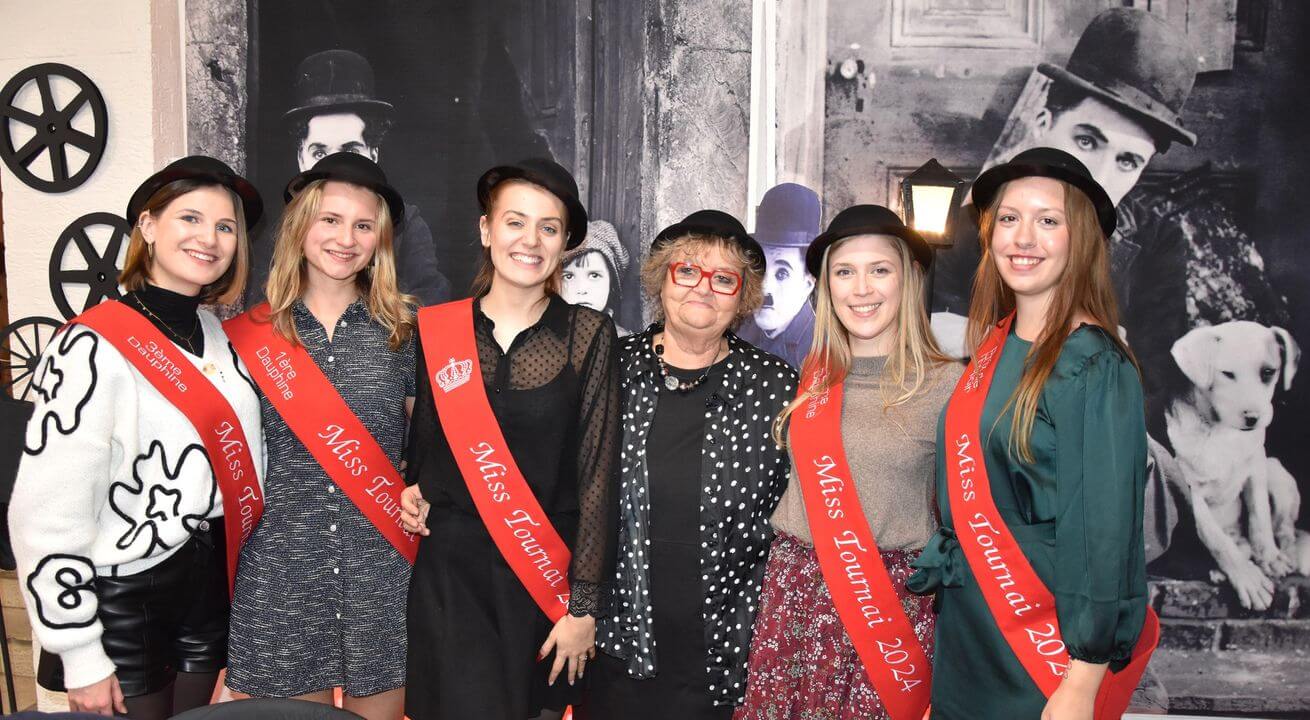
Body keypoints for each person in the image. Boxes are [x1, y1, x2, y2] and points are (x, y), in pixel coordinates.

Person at [9, 156, 267, 719]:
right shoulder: (90, 345)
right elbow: (45, 510)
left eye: (225, 227)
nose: (210, 238)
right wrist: (80, 652)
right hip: (124, 598)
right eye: (190, 218)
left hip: (210, 589)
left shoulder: (221, 338)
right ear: (147, 227)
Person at [908, 147, 1157, 718]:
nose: (1024, 238)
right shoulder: (992, 346)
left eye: (1049, 221)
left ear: (1081, 241)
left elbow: (1105, 534)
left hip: (1044, 645)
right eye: (1010, 219)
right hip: (969, 635)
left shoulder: (1093, 363)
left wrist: (1082, 682)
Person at [398, 158, 620, 719]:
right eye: (515, 221)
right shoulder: (440, 327)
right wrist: (412, 487)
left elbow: (598, 474)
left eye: (549, 227)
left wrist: (584, 608)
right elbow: (424, 446)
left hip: (538, 581)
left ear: (565, 243)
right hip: (450, 578)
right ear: (485, 230)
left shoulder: (588, 334)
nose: (531, 240)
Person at [735, 206, 961, 720]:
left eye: (879, 270)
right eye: (844, 271)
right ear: (827, 287)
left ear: (908, 280)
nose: (861, 289)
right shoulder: (810, 377)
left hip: (888, 607)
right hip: (795, 597)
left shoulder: (949, 387)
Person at [223, 153, 418, 720]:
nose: (345, 239)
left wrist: (420, 487)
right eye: (329, 219)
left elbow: (437, 447)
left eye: (363, 226)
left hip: (380, 577)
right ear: (301, 225)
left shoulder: (406, 334)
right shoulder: (245, 338)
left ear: (379, 240)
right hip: (280, 575)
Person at [581, 211, 796, 719]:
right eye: (687, 272)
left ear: (742, 296)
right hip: (618, 639)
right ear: (662, 279)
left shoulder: (778, 387)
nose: (703, 289)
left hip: (727, 647)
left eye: (724, 279)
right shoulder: (609, 364)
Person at [246, 49, 453, 308]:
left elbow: (432, 299)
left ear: (374, 152)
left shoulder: (406, 224)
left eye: (351, 150)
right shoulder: (276, 230)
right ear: (300, 159)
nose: (336, 165)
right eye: (319, 151)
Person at [735, 183, 821, 369]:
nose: (765, 287)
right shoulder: (736, 332)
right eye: (759, 268)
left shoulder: (819, 352)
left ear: (808, 283)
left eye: (782, 273)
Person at [561, 219, 633, 335]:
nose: (582, 289)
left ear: (611, 283)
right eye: (568, 276)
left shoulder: (625, 345)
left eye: (594, 275)